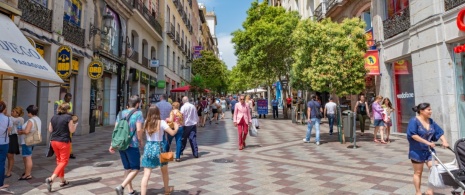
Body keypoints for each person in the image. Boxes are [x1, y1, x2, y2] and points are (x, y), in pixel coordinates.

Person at [407, 103, 449, 195]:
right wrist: (428, 142)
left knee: (434, 169)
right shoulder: (414, 121)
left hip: (429, 151)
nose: (431, 111)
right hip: (417, 151)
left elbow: (439, 132)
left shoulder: (431, 121)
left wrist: (444, 141)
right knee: (418, 172)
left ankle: (430, 190)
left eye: (431, 109)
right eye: (428, 110)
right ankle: (418, 192)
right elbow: (413, 135)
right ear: (421, 111)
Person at [110, 95, 144, 195]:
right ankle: (121, 186)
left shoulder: (121, 113)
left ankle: (130, 190)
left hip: (121, 144)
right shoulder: (138, 114)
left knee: (127, 168)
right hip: (132, 144)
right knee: (136, 168)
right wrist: (140, 140)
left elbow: (116, 130)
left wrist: (112, 144)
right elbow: (138, 129)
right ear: (137, 104)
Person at [140, 106, 178, 195]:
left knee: (146, 174)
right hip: (160, 147)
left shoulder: (146, 122)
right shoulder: (161, 123)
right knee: (164, 172)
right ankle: (166, 190)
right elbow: (172, 133)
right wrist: (176, 127)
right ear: (158, 113)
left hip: (149, 148)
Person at [45, 103, 78, 192]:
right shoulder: (68, 118)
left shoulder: (53, 117)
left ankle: (63, 180)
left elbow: (50, 130)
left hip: (54, 141)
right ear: (67, 110)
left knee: (59, 161)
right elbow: (71, 130)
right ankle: (51, 179)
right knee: (64, 161)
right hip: (63, 141)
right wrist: (75, 125)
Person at [17, 105, 41, 180]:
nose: (27, 114)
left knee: (28, 157)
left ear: (30, 112)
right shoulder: (38, 119)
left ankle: (27, 174)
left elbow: (27, 131)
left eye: (28, 112)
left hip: (27, 141)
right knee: (27, 156)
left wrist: (21, 132)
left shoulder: (31, 120)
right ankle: (27, 171)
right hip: (33, 140)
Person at [55, 93, 76, 159]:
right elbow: (57, 112)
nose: (69, 100)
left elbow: (69, 112)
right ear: (65, 97)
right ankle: (60, 152)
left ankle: (70, 152)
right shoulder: (59, 102)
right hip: (61, 123)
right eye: (68, 98)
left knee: (69, 139)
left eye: (70, 98)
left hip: (67, 123)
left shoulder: (70, 104)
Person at [6, 107, 23, 178]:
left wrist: (7, 115)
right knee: (7, 154)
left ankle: (9, 171)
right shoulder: (9, 118)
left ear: (18, 113)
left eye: (14, 111)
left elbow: (14, 121)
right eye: (12, 111)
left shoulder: (20, 119)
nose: (12, 112)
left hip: (13, 137)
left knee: (10, 155)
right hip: (6, 136)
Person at [0, 101, 12, 189]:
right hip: (3, 142)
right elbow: (9, 132)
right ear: (4, 109)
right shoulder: (8, 119)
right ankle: (0, 184)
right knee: (1, 163)